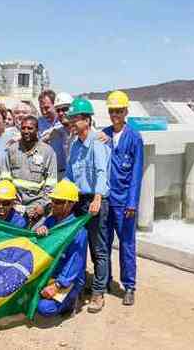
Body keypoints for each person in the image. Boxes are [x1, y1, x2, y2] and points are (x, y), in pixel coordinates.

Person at [65, 97, 110, 313]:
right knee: (78, 245)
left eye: (75, 119)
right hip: (79, 201)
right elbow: (71, 177)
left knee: (98, 248)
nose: (71, 122)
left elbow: (102, 172)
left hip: (96, 199)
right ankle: (80, 286)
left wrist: (98, 199)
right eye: (70, 119)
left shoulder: (97, 142)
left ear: (87, 120)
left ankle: (98, 293)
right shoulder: (74, 146)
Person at [102, 91, 144, 306]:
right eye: (112, 111)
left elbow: (137, 172)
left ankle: (129, 286)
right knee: (103, 244)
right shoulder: (104, 134)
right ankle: (105, 280)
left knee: (127, 245)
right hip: (106, 200)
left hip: (124, 202)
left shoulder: (135, 137)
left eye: (119, 110)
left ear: (126, 111)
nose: (115, 114)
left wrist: (132, 202)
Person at [34, 179, 87, 318]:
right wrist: (41, 230)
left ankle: (71, 300)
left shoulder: (78, 231)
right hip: (50, 272)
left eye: (58, 202)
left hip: (67, 279)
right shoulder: (51, 221)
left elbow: (74, 264)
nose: (53, 205)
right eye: (53, 201)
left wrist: (57, 286)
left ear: (70, 204)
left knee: (44, 308)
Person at [0, 115, 57, 225]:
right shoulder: (12, 150)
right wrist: (13, 204)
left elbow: (51, 185)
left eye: (30, 128)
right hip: (14, 206)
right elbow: (5, 180)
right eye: (23, 128)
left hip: (38, 208)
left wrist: (42, 206)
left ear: (37, 130)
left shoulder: (47, 152)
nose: (26, 131)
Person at [40, 91, 73, 179]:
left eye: (65, 109)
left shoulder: (82, 132)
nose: (61, 113)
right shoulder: (58, 130)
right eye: (58, 110)